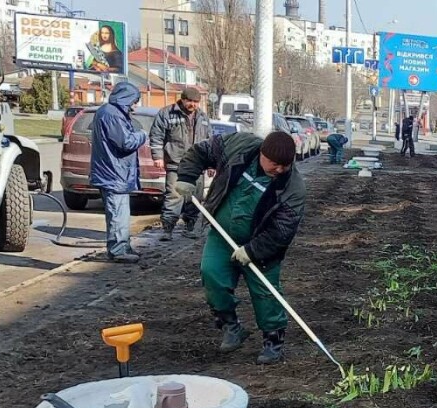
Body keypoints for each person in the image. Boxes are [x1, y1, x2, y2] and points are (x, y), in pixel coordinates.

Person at [173, 132, 305, 365]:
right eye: (275, 164)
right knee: (211, 274)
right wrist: (186, 177)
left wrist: (252, 251)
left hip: (260, 247)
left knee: (266, 292)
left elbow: (282, 232)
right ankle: (231, 326)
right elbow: (201, 152)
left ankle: (273, 340)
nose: (280, 170)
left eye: (285, 165)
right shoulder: (238, 147)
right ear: (262, 154)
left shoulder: (293, 187)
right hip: (222, 235)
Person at [90, 82, 148, 263]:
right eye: (135, 101)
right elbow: (126, 142)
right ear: (126, 98)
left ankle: (123, 245)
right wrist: (142, 135)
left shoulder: (109, 112)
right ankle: (118, 250)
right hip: (113, 173)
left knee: (120, 213)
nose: (135, 106)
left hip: (113, 171)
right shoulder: (113, 115)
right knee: (117, 213)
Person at [150, 86, 211, 240]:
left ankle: (190, 227)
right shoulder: (167, 114)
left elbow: (210, 141)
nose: (193, 104)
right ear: (183, 99)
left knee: (195, 198)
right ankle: (168, 229)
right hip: (175, 163)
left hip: (198, 165)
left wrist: (211, 163)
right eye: (190, 101)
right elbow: (156, 136)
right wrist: (157, 157)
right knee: (173, 196)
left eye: (196, 101)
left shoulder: (203, 118)